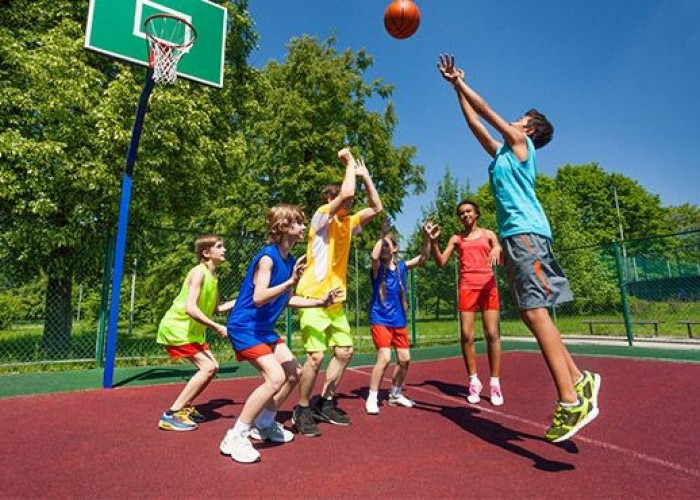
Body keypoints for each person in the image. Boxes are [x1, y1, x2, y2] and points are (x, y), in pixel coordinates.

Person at [437, 54, 601, 442]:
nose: (511, 121)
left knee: (535, 312)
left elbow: (487, 110)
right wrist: (454, 89)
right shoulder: (502, 154)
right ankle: (580, 380)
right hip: (517, 239)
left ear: (529, 128)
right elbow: (475, 122)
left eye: (518, 119)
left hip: (527, 235)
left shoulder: (522, 144)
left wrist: (462, 81)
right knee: (532, 316)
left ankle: (570, 402)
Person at [219, 204, 340, 463]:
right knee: (274, 377)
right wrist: (289, 283)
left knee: (294, 373)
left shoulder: (287, 262)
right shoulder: (267, 258)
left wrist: (320, 302)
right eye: (297, 222)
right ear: (283, 227)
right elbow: (260, 297)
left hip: (263, 329)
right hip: (245, 327)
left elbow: (287, 301)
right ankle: (236, 435)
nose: (303, 227)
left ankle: (264, 422)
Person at [292, 147, 383, 437]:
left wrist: (366, 177)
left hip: (336, 300)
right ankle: (302, 408)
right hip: (312, 300)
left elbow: (376, 208)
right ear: (329, 201)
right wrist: (347, 163)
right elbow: (346, 195)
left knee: (344, 351)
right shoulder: (321, 219)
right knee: (316, 357)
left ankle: (326, 402)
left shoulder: (348, 224)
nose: (350, 200)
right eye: (343, 198)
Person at [156, 234, 235, 431]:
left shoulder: (213, 277)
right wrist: (216, 327)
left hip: (192, 333)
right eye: (219, 246)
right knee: (207, 368)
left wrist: (247, 298)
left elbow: (218, 308)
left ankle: (185, 408)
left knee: (213, 367)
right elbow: (190, 308)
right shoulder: (198, 273)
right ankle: (171, 414)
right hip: (177, 328)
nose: (224, 249)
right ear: (206, 252)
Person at [430, 199, 505, 406]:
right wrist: (434, 241)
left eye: (469, 211)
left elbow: (497, 246)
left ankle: (495, 383)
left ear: (477, 214)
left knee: (492, 334)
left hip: (488, 287)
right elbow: (441, 262)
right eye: (462, 213)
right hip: (467, 288)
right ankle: (473, 381)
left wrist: (497, 247)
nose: (465, 215)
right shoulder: (456, 239)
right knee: (466, 335)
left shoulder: (488, 234)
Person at [364, 219, 432, 415]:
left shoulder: (402, 267)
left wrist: (426, 238)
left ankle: (395, 393)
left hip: (398, 321)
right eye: (382, 245)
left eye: (388, 245)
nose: (384, 248)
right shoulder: (378, 270)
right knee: (384, 358)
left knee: (405, 359)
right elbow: (374, 256)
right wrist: (382, 235)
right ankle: (372, 397)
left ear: (395, 249)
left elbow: (424, 257)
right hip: (380, 319)